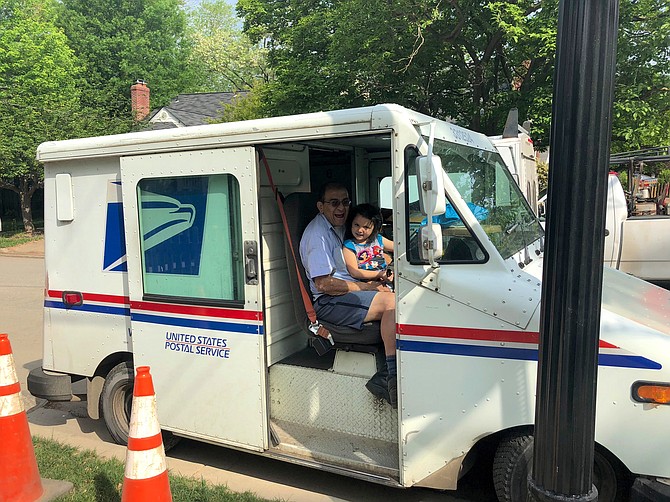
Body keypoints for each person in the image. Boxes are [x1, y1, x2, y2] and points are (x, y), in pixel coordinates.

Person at [299, 182, 398, 407]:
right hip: (329, 303)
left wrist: (384, 270)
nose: (341, 208)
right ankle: (389, 377)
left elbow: (368, 251)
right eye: (333, 203)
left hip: (347, 292)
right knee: (392, 303)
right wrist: (368, 287)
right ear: (320, 206)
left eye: (345, 202)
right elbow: (324, 284)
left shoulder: (341, 226)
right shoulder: (318, 236)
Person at [342, 203, 394, 286]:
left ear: (374, 228)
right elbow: (354, 272)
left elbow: (399, 248)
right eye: (356, 225)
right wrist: (380, 274)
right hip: (364, 285)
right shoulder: (349, 246)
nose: (360, 230)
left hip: (385, 280)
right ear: (351, 223)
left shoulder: (378, 239)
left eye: (366, 227)